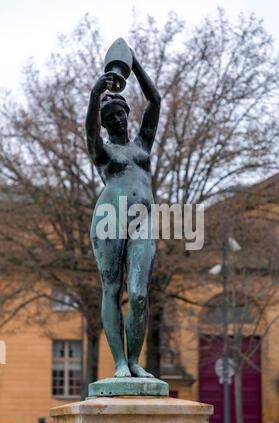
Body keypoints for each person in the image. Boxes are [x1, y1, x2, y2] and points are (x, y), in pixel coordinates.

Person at [85, 49, 161, 378]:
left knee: (140, 294)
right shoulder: (103, 152)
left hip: (142, 221)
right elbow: (89, 132)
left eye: (120, 114)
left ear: (127, 115)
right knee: (112, 290)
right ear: (104, 124)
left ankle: (134, 362)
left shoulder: (142, 144)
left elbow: (155, 100)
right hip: (109, 219)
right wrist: (95, 94)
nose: (116, 120)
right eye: (110, 117)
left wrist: (133, 62)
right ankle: (119, 363)